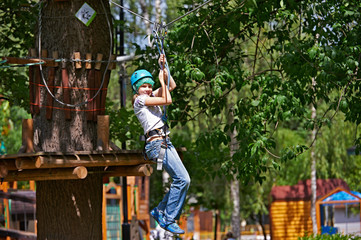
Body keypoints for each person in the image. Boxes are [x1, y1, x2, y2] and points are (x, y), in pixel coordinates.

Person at [131, 54, 190, 235]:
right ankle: (168, 218)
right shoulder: (139, 100)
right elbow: (167, 99)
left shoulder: (149, 96)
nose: (148, 89)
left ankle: (160, 211)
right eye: (144, 86)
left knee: (184, 180)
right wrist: (160, 81)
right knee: (182, 180)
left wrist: (164, 70)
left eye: (149, 86)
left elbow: (170, 87)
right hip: (156, 144)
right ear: (137, 89)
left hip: (165, 142)